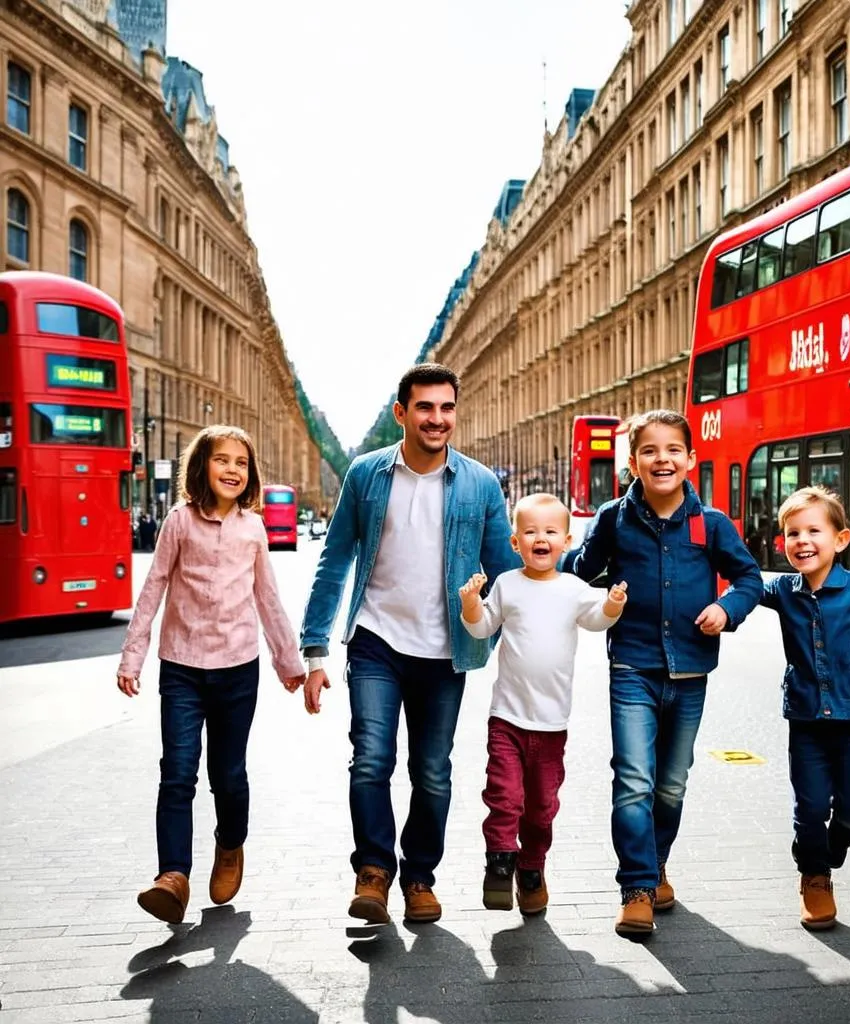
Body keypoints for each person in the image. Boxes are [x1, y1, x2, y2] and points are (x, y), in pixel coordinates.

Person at [299, 363, 518, 926]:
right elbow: (335, 559)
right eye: (425, 408)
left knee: (433, 769)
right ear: (402, 413)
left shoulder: (480, 483)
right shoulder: (367, 475)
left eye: (446, 408)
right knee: (371, 758)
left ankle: (419, 876)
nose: (437, 419)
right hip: (376, 640)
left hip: (448, 649)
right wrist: (316, 648)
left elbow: (506, 570)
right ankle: (373, 871)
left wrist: (554, 606)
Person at [569, 409, 763, 937]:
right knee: (634, 780)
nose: (662, 459)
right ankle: (635, 887)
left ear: (690, 460)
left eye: (673, 450)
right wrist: (532, 556)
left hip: (691, 671)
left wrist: (728, 609)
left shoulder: (711, 524)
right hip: (631, 664)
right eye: (650, 451)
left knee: (671, 785)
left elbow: (750, 578)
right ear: (633, 463)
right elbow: (578, 569)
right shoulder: (613, 518)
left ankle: (655, 864)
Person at [117, 425, 305, 924]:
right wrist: (132, 656)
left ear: (251, 474)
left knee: (228, 774)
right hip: (181, 667)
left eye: (241, 463)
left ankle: (229, 845)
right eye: (221, 460)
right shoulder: (178, 522)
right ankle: (172, 877)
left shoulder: (254, 529)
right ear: (201, 467)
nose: (232, 469)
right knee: (177, 773)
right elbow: (154, 586)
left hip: (237, 671)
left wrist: (290, 663)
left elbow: (268, 599)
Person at [458, 492, 628, 916]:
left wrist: (612, 604)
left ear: (566, 541)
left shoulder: (574, 588)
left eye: (550, 531)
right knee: (504, 795)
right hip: (508, 719)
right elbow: (482, 630)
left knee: (541, 807)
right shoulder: (507, 584)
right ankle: (500, 861)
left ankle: (531, 867)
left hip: (552, 725)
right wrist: (469, 605)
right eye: (530, 531)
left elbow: (595, 620)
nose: (540, 538)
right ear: (515, 542)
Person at [760, 485, 850, 931]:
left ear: (840, 539)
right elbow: (745, 589)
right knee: (810, 804)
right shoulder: (783, 589)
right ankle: (815, 879)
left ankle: (822, 849)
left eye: (813, 531)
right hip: (805, 718)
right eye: (792, 533)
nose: (802, 541)